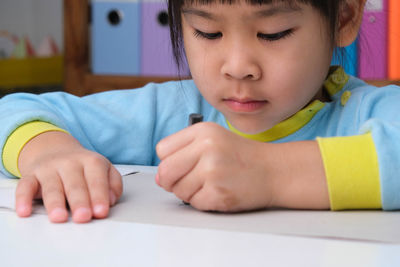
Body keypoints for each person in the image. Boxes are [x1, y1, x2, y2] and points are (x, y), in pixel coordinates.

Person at [1, 0, 397, 224]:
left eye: (273, 33)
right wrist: (50, 152)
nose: (238, 66)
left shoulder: (365, 114)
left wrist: (268, 174)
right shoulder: (173, 109)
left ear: (344, 18)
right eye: (208, 33)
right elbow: (19, 109)